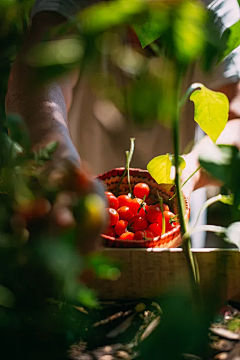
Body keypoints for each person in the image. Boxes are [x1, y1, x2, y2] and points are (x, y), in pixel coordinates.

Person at [5, 0, 240, 250]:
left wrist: (186, 172)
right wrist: (59, 164)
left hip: (174, 240)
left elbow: (236, 121)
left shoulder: (214, 6)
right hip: (76, 223)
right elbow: (36, 71)